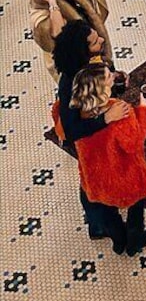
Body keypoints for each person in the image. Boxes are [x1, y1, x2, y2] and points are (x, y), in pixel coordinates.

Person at [52, 20, 130, 239]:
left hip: (104, 133)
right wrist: (106, 118)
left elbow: (106, 89)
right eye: (95, 42)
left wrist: (118, 82)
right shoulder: (69, 84)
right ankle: (99, 224)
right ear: (82, 52)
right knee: (92, 182)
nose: (102, 41)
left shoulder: (97, 63)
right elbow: (73, 129)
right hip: (89, 141)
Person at [68, 64, 146, 256]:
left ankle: (119, 242)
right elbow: (134, 143)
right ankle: (135, 241)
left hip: (97, 180)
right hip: (126, 177)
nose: (113, 76)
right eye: (108, 76)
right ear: (101, 89)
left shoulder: (77, 118)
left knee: (109, 215)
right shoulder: (120, 112)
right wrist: (144, 109)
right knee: (135, 209)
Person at [29, 0, 112, 80]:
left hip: (92, 44)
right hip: (77, 63)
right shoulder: (43, 18)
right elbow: (60, 36)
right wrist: (53, 3)